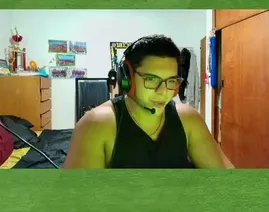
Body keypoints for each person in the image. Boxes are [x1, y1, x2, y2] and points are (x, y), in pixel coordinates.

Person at [65, 35, 233, 169]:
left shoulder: (188, 119)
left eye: (171, 80)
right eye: (151, 79)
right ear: (127, 78)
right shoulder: (95, 124)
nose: (162, 91)